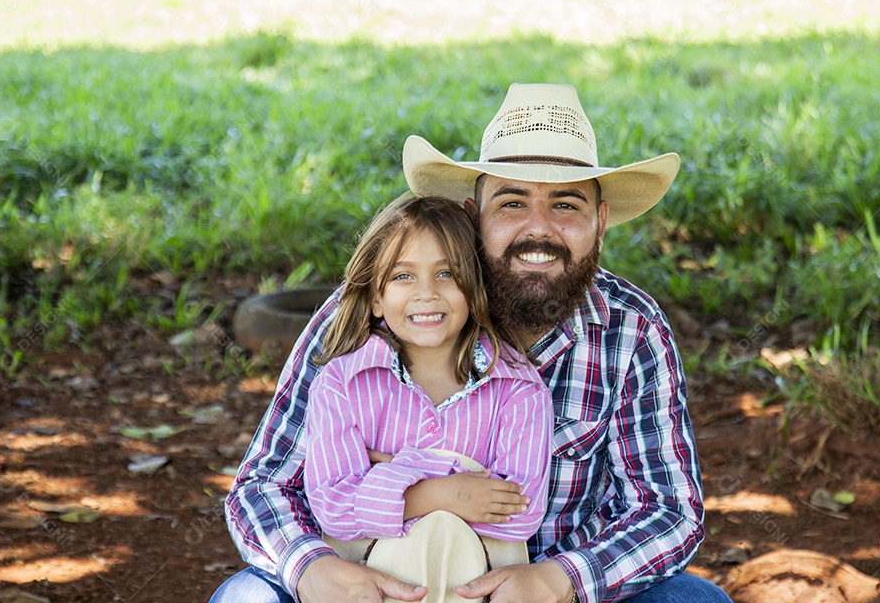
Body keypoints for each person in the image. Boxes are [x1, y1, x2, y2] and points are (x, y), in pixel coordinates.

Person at [214, 83, 731, 603]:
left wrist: (562, 580)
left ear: (599, 224)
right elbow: (262, 486)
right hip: (370, 580)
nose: (538, 230)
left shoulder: (629, 329)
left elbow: (668, 511)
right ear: (472, 213)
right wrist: (312, 571)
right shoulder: (374, 315)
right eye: (512, 202)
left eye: (566, 205)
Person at [301, 194, 552, 602]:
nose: (426, 294)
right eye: (402, 276)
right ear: (376, 297)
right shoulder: (342, 385)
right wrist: (442, 491)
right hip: (375, 590)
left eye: (447, 274)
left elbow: (517, 518)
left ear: (475, 289)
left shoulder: (518, 389)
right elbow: (332, 507)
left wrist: (388, 477)